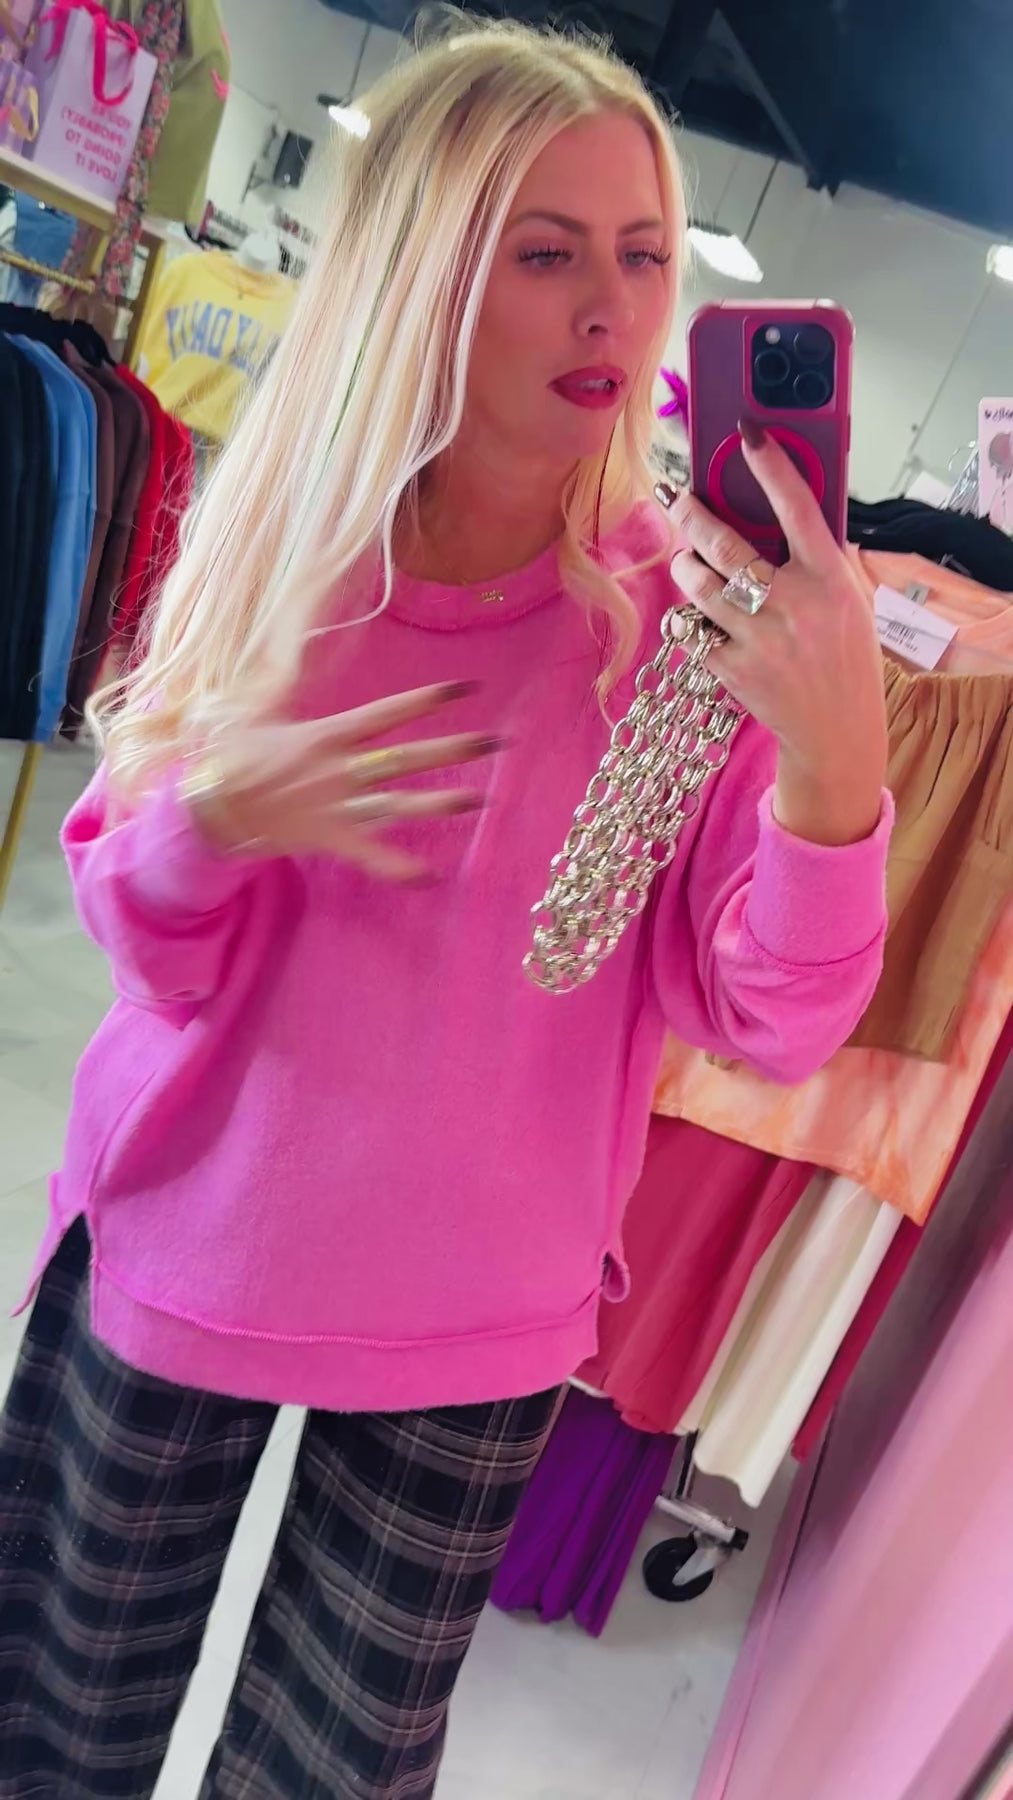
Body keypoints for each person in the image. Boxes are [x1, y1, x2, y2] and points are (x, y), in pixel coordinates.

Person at [0, 16, 891, 1799]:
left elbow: (765, 1017)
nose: (613, 310)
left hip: (475, 1312)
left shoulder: (686, 628)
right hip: (184, 1243)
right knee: (52, 1725)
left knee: (334, 1769)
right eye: (544, 254)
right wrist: (214, 823)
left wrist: (836, 770)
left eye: (643, 255)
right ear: (420, 270)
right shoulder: (281, 552)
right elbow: (144, 939)